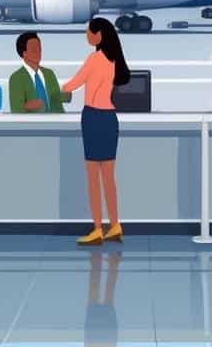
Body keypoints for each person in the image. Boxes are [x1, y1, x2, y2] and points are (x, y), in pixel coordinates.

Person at [62, 17, 130, 246]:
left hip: (93, 117)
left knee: (93, 177)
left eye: (88, 32)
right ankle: (115, 224)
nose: (86, 36)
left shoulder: (94, 59)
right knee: (109, 177)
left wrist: (59, 90)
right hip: (110, 118)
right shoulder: (114, 61)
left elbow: (74, 84)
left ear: (98, 35)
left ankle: (98, 228)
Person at [9, 31, 72, 113]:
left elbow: (54, 97)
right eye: (34, 50)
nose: (38, 53)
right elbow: (16, 109)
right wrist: (29, 105)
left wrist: (65, 96)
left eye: (39, 49)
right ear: (24, 53)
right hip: (34, 124)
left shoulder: (49, 74)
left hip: (57, 121)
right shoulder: (16, 78)